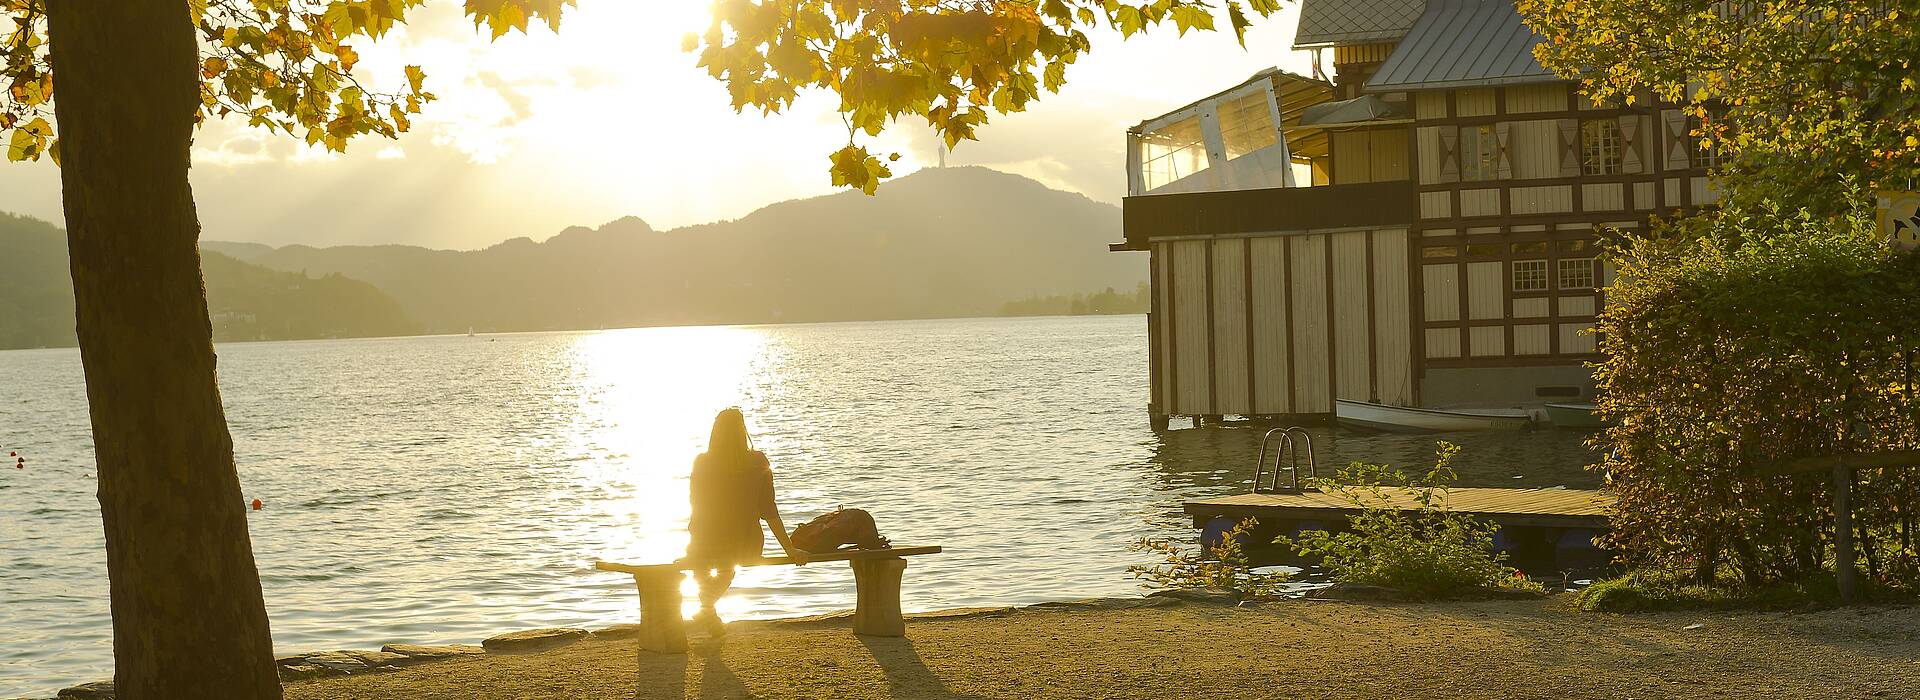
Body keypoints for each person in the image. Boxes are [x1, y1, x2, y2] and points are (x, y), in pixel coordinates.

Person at [685, 407, 805, 637]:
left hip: (707, 540)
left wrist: (694, 541)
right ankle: (707, 610)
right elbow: (769, 510)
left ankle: (707, 610)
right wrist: (788, 547)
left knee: (704, 562)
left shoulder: (702, 462)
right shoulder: (758, 461)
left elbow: (696, 506)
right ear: (743, 432)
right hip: (746, 543)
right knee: (725, 566)